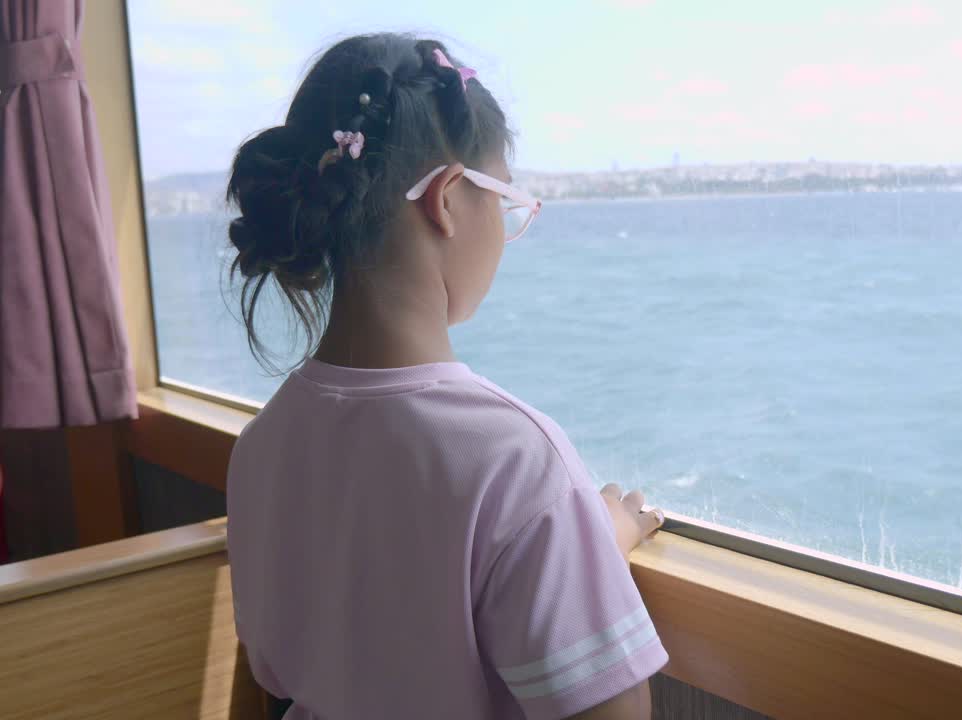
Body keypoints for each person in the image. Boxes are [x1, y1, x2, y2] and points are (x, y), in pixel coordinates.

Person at [224, 33, 667, 720]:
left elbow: (302, 658)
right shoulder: (518, 463)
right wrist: (580, 541)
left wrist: (581, 544)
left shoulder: (260, 447)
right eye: (504, 198)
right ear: (448, 200)